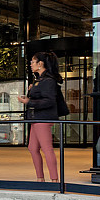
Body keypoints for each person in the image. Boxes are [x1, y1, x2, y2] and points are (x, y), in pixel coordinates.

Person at [18, 51, 61, 182]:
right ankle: (40, 178)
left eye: (32, 61)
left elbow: (49, 101)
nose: (30, 64)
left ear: (40, 63)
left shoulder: (48, 81)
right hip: (35, 118)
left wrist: (28, 101)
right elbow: (40, 97)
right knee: (32, 148)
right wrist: (30, 94)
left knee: (47, 149)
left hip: (43, 119)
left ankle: (54, 180)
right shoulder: (39, 80)